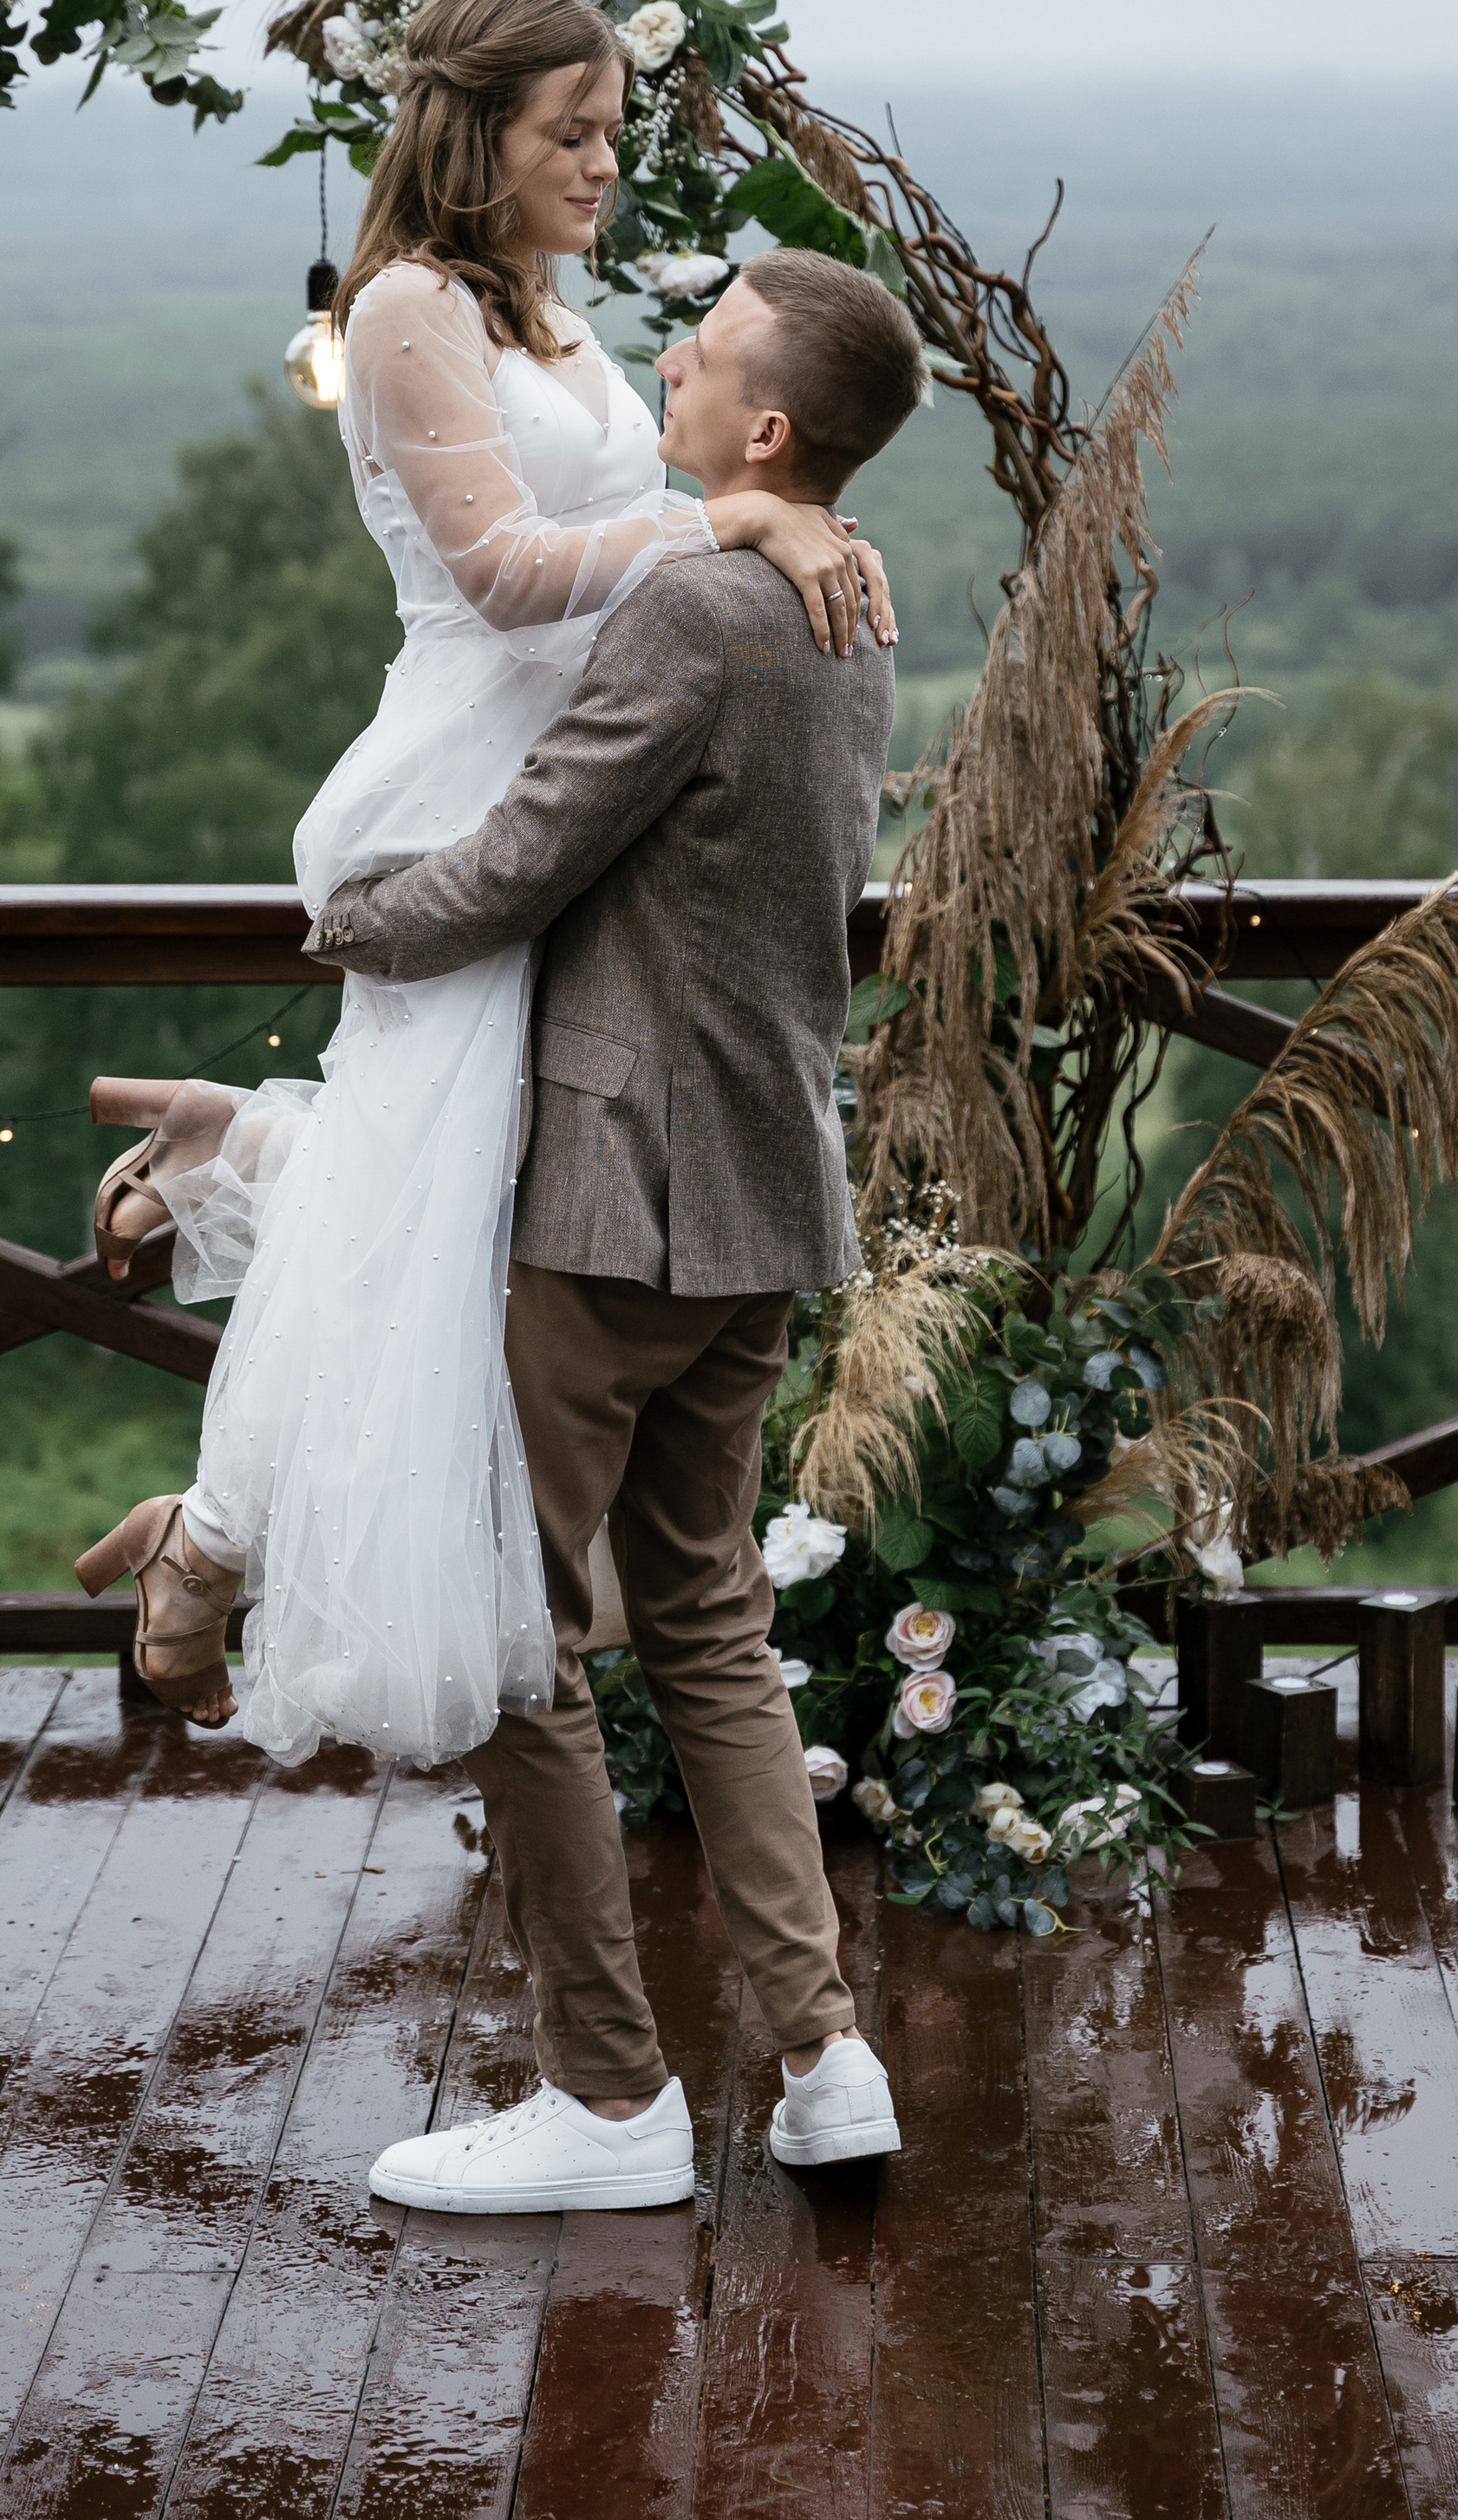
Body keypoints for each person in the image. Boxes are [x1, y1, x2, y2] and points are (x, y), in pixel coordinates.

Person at [72, 0, 892, 1763]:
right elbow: (507, 574)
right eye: (568, 133)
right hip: (460, 794)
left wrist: (771, 530)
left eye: (612, 131)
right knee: (420, 1233)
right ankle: (207, 1558)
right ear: (473, 134)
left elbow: (626, 535)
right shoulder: (403, 311)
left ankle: (238, 1180)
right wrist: (733, 519)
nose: (603, 164)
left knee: (447, 1219)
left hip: (573, 797)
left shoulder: (550, 312)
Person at [308, 234, 922, 2210]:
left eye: (707, 352)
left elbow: (520, 857)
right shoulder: (847, 601)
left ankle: (606, 2099)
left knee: (514, 1632)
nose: (668, 361)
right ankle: (824, 2060)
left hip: (610, 1202)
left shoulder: (697, 611)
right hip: (763, 1190)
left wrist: (349, 915)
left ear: (769, 428)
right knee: (711, 1623)